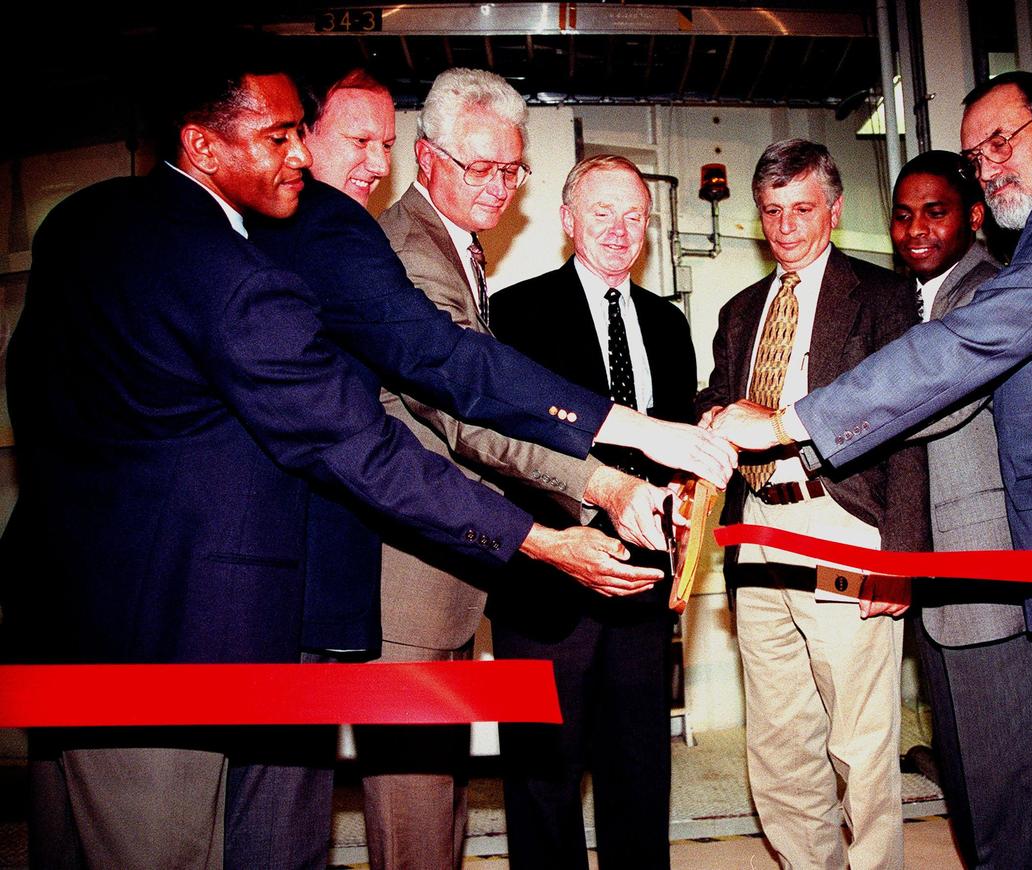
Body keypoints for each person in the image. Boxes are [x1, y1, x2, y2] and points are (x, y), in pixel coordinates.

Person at [4, 55, 731, 868]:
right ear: (203, 145)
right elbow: (388, 413)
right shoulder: (245, 264)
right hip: (170, 624)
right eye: (287, 137)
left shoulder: (90, 221)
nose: (311, 159)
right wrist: (559, 515)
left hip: (165, 604)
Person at [711, 71, 1032, 869]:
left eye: (1001, 142)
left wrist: (790, 422)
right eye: (975, 153)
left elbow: (966, 349)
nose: (987, 166)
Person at [245, 68, 696, 868]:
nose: (497, 187)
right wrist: (607, 480)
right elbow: (462, 409)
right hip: (410, 577)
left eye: (510, 169)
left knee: (441, 807)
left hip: (456, 571)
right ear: (432, 162)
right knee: (417, 815)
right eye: (477, 168)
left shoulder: (459, 249)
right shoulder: (403, 248)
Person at [696, 138, 927, 869]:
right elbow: (718, 392)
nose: (787, 227)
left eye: (802, 209)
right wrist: (706, 414)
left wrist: (903, 553)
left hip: (844, 524)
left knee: (859, 739)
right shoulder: (739, 310)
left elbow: (911, 427)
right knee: (780, 738)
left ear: (834, 209)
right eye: (772, 212)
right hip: (756, 527)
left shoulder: (886, 297)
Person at [486, 154, 695, 870]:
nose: (619, 228)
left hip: (643, 585)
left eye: (634, 214)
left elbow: (672, 453)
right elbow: (501, 442)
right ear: (569, 221)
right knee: (543, 780)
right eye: (602, 212)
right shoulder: (512, 312)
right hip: (546, 577)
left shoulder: (669, 324)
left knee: (640, 770)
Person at [890, 150, 1032, 869]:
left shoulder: (988, 290)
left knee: (1006, 781)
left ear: (975, 217)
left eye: (936, 211)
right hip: (938, 582)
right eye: (902, 215)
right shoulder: (919, 296)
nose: (916, 229)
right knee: (966, 779)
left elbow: (930, 401)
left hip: (985, 573)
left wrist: (804, 424)